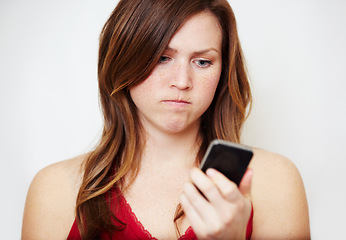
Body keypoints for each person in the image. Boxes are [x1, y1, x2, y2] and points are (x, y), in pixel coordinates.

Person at [22, 0, 310, 239]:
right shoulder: (55, 191)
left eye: (202, 61)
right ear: (124, 60)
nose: (182, 81)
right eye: (162, 57)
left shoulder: (273, 181)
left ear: (223, 70)